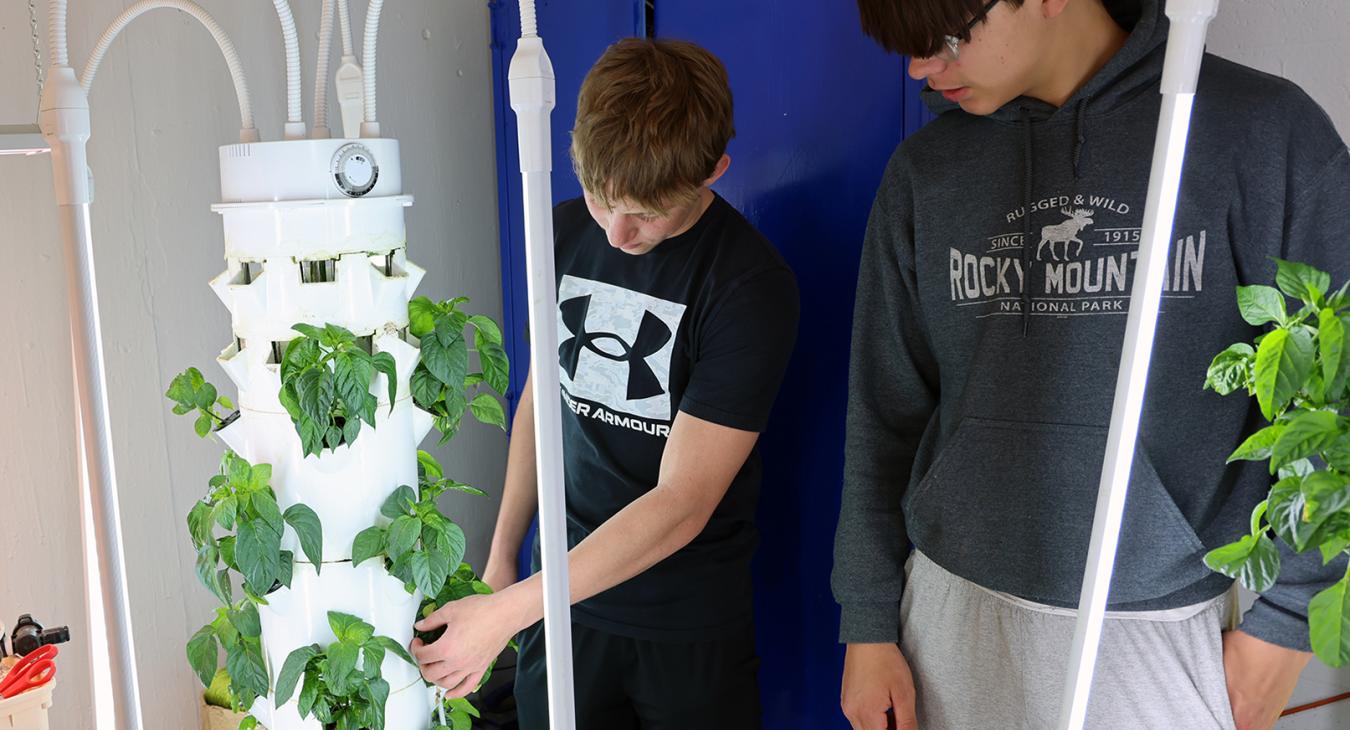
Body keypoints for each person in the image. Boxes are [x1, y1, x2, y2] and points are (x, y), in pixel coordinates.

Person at [832, 0, 1350, 728]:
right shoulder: (929, 170)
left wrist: (1286, 627)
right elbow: (883, 413)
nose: (920, 69)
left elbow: (1338, 401)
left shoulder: (1263, 135)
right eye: (908, 48)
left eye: (946, 39)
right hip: (950, 621)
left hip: (1160, 633)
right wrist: (868, 619)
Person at [411, 38, 800, 729]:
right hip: (557, 613)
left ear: (715, 170)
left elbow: (682, 500)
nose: (617, 234)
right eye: (599, 198)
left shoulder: (748, 285)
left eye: (648, 214)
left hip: (684, 629)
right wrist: (503, 561)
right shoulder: (560, 231)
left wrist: (509, 609)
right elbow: (543, 397)